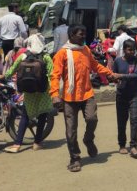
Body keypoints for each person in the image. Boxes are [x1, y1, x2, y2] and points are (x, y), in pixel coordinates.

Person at [50, 24, 119, 173]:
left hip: (87, 94)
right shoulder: (62, 53)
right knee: (71, 131)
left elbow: (95, 66)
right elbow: (55, 75)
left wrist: (109, 74)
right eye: (81, 34)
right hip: (69, 97)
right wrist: (55, 95)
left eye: (84, 34)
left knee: (92, 119)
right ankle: (75, 158)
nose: (84, 36)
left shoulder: (86, 50)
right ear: (72, 35)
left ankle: (88, 140)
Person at [2, 34, 53, 153]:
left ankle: (17, 144)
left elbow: (10, 72)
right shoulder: (46, 57)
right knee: (42, 116)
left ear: (29, 44)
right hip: (43, 91)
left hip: (28, 91)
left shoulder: (23, 56)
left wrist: (4, 77)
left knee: (25, 116)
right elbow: (52, 74)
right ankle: (37, 143)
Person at [112, 39, 137, 157]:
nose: (132, 52)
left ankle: (134, 145)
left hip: (135, 94)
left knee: (135, 119)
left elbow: (135, 75)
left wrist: (120, 76)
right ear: (124, 50)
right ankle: (122, 145)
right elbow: (114, 75)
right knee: (121, 121)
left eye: (133, 50)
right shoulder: (118, 61)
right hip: (121, 95)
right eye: (129, 50)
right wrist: (113, 77)